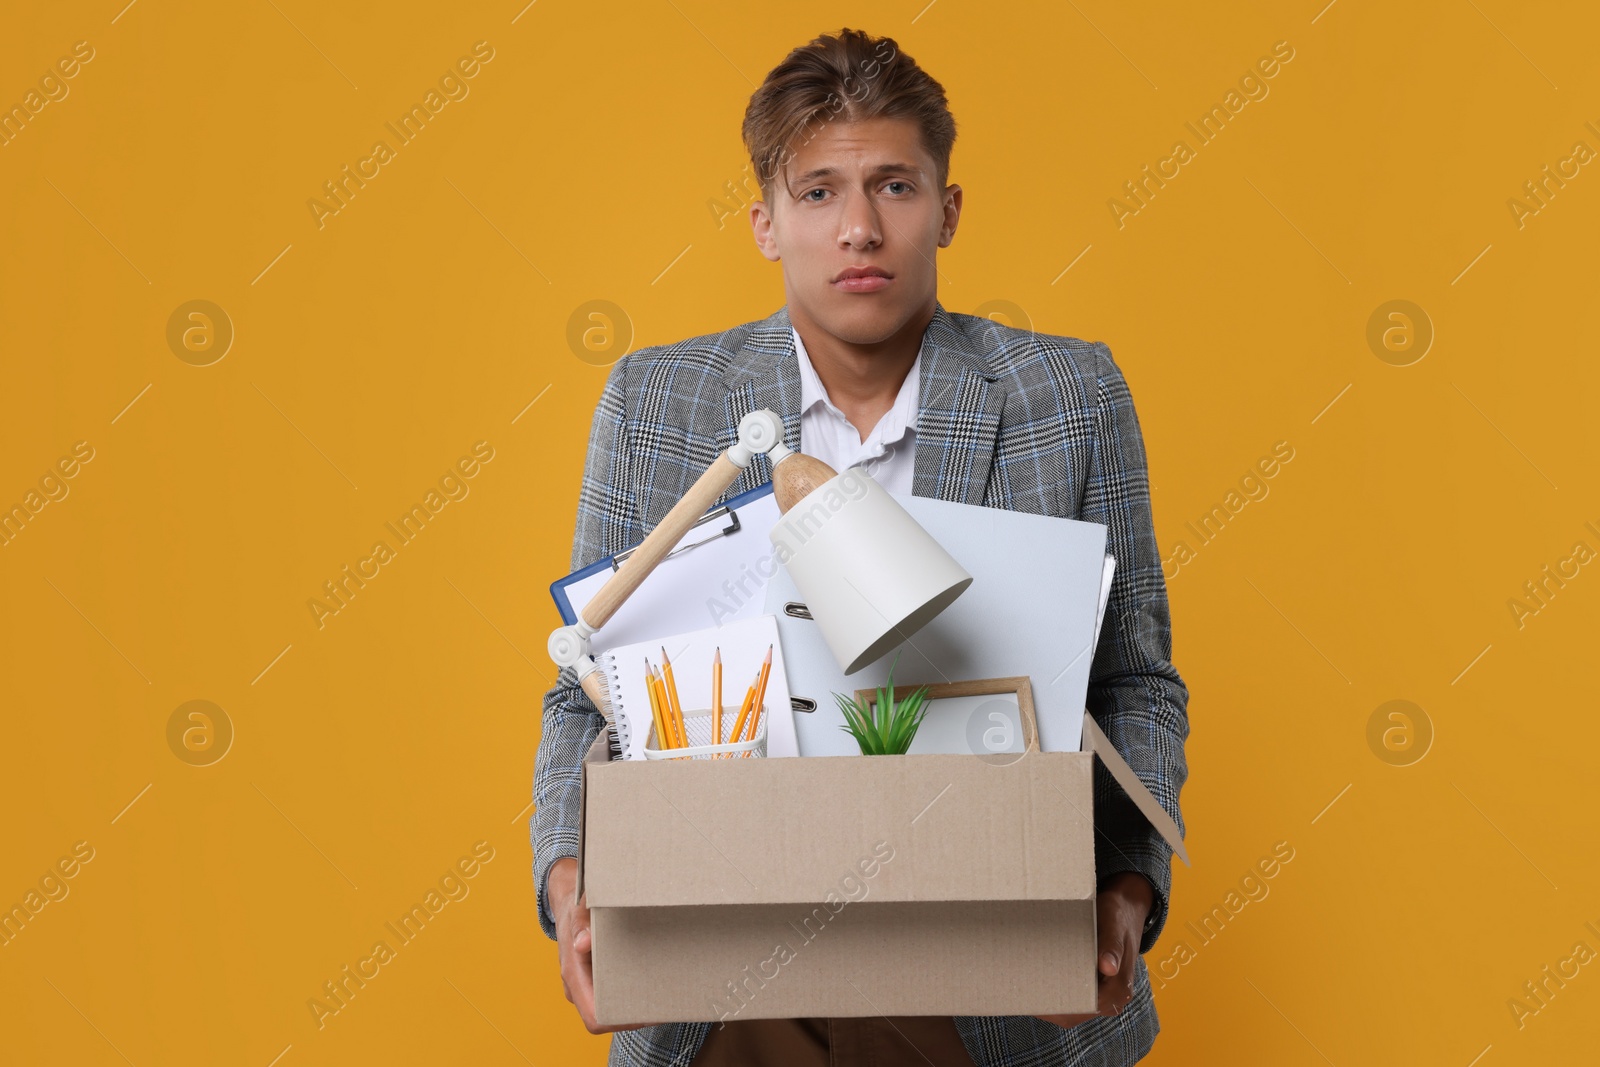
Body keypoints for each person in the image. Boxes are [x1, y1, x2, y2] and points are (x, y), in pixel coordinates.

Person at [532, 27, 1190, 1067]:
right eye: (819, 193)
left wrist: (1124, 887)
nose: (858, 229)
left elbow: (1135, 682)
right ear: (764, 222)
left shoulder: (1066, 396)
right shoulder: (661, 402)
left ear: (948, 209)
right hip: (726, 985)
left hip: (989, 987)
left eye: (893, 186)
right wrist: (571, 883)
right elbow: (585, 689)